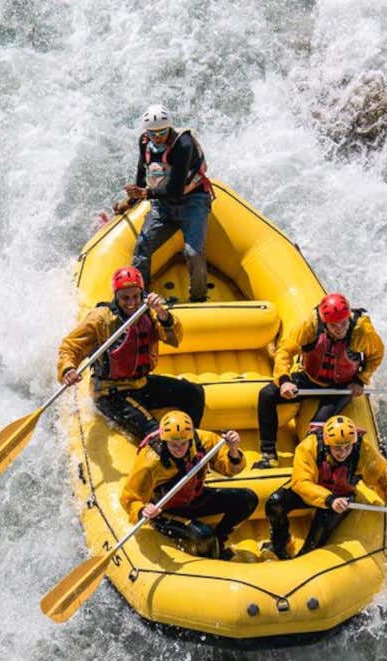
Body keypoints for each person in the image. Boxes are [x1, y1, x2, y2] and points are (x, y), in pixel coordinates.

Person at [57, 266, 205, 442]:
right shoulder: (101, 319)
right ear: (116, 296)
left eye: (135, 296)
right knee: (155, 433)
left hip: (140, 384)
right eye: (125, 298)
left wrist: (163, 313)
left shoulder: (148, 311)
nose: (131, 303)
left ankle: (191, 446)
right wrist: (68, 369)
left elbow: (174, 338)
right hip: (110, 393)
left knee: (194, 393)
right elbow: (70, 346)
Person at [253, 292, 385, 468]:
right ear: (325, 322)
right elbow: (285, 351)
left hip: (342, 386)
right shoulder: (311, 325)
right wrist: (284, 380)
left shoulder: (361, 330)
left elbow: (376, 355)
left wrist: (361, 379)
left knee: (316, 427)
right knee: (267, 394)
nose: (340, 329)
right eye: (334, 325)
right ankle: (268, 453)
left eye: (344, 323)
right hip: (309, 378)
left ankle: (314, 463)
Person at [263, 415, 387, 560]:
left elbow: (381, 477)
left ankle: (305, 556)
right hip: (315, 492)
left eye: (347, 447)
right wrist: (329, 499)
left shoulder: (362, 449)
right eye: (337, 448)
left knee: (317, 535)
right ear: (327, 442)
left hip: (341, 497)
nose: (342, 453)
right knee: (275, 503)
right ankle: (281, 542)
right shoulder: (309, 446)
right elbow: (301, 482)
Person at [120, 411, 258, 560]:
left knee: (248, 499)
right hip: (164, 510)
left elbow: (229, 469)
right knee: (204, 536)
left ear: (190, 437)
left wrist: (233, 450)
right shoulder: (151, 461)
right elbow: (129, 498)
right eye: (173, 444)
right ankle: (208, 551)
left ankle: (220, 538)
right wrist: (143, 510)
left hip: (195, 498)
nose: (179, 449)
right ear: (164, 440)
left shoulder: (203, 441)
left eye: (183, 443)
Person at [115, 104, 214, 303]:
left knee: (192, 253)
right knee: (142, 246)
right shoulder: (145, 142)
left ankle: (198, 297)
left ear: (169, 128)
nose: (157, 137)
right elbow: (142, 173)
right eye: (152, 133)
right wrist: (132, 199)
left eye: (161, 132)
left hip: (192, 201)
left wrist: (147, 193)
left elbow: (176, 191)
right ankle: (141, 298)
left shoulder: (183, 145)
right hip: (163, 206)